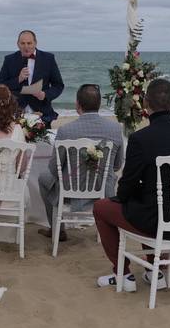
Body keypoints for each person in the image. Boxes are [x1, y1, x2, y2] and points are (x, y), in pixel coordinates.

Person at [92, 78, 170, 292]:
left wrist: (126, 195)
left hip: (157, 221)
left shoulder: (140, 138)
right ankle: (155, 271)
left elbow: (126, 187)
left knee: (102, 207)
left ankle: (123, 274)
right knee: (145, 201)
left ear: (145, 104)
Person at [38, 84, 124, 242]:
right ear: (99, 104)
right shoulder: (115, 129)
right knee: (110, 177)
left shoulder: (66, 130)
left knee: (43, 178)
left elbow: (54, 167)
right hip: (103, 191)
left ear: (78, 104)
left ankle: (57, 229)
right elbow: (117, 164)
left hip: (70, 191)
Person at [0, 29, 64, 127]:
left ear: (35, 43)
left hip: (42, 112)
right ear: (18, 44)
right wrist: (18, 79)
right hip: (15, 113)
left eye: (29, 43)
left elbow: (58, 85)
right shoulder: (9, 60)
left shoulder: (48, 58)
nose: (26, 47)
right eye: (22, 43)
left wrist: (45, 94)